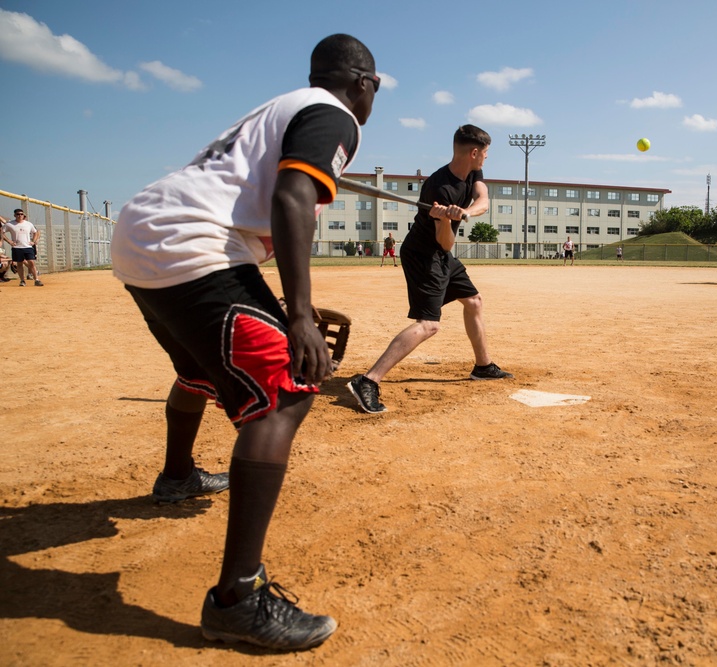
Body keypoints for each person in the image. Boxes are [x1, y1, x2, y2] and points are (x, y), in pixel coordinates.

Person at [108, 33, 378, 651]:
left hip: (147, 236)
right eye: (372, 89)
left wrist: (285, 307)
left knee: (204, 367)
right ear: (366, 83)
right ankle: (238, 596)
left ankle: (178, 477)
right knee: (287, 392)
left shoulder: (274, 108)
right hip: (191, 243)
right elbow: (292, 195)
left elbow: (269, 207)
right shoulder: (334, 114)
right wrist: (301, 317)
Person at [348, 124, 513, 414]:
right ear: (474, 153)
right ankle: (368, 380)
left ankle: (483, 366)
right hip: (425, 255)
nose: (486, 159)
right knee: (429, 324)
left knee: (473, 301)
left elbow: (483, 199)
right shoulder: (440, 187)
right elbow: (446, 243)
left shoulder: (471, 172)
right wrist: (446, 220)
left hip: (440, 255)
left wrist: (465, 212)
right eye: (485, 154)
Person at [2, 209, 44, 286]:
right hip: (17, 247)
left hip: (27, 246)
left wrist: (33, 241)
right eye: (18, 214)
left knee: (31, 262)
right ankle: (22, 281)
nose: (20, 216)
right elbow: (2, 232)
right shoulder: (10, 224)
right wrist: (9, 241)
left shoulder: (28, 224)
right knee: (20, 263)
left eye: (21, 214)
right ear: (15, 215)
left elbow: (35, 232)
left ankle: (36, 279)